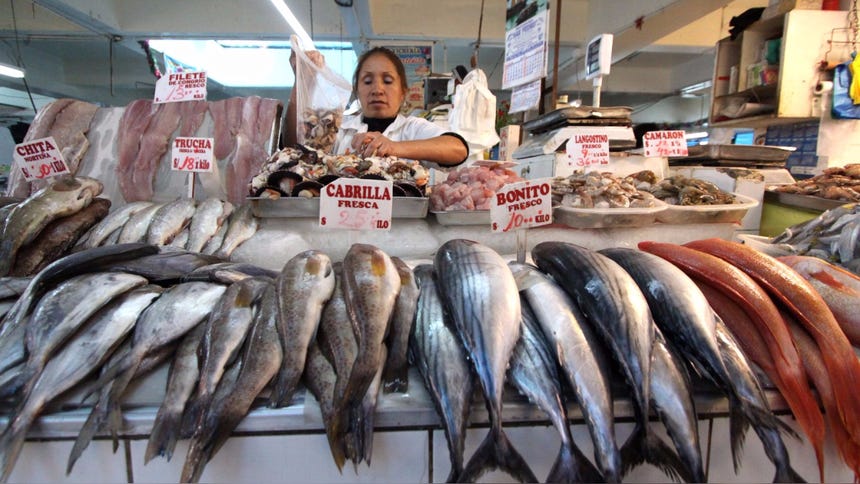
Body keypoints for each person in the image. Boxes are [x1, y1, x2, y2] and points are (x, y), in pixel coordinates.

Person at [286, 46, 468, 168]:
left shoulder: (412, 129)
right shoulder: (338, 128)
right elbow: (294, 146)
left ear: (403, 92)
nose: (377, 89)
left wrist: (394, 147)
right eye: (367, 81)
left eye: (387, 81)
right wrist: (303, 81)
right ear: (357, 90)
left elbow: (458, 149)